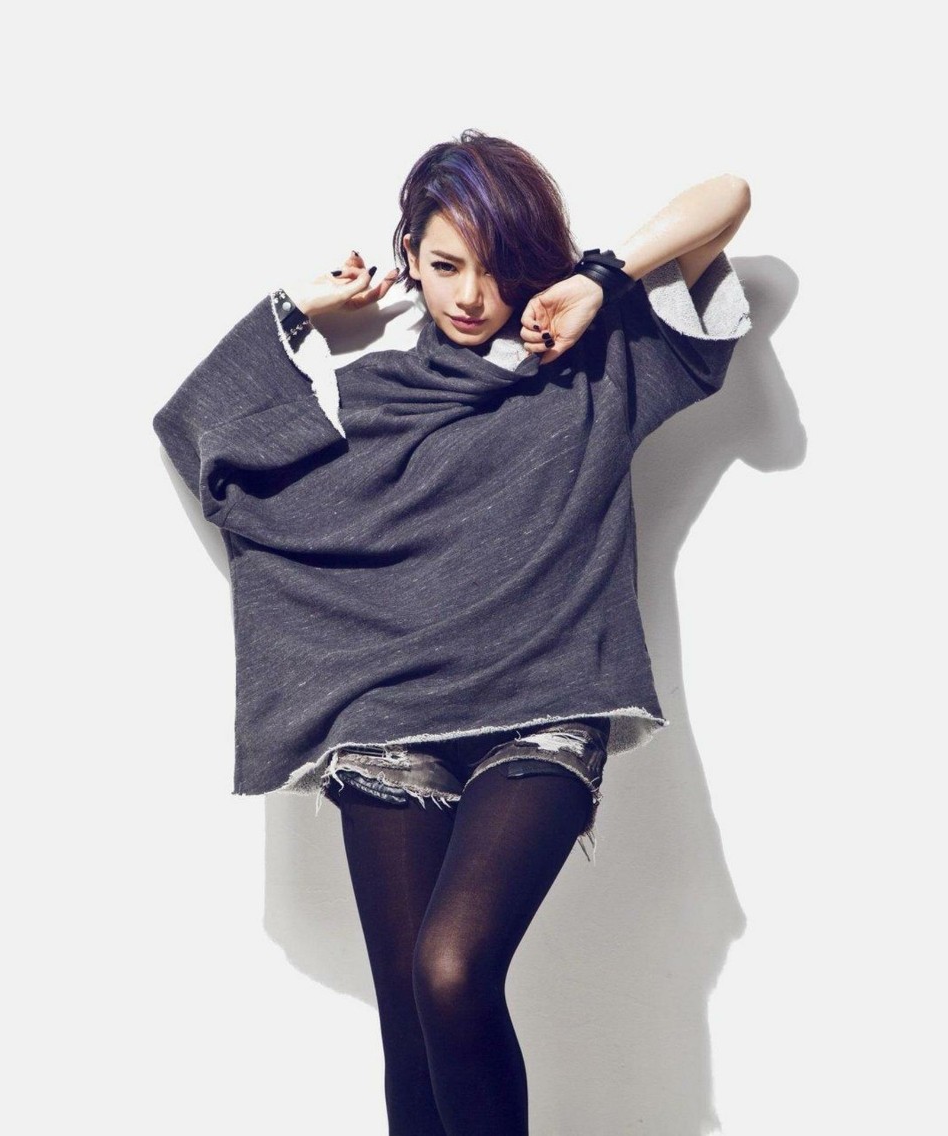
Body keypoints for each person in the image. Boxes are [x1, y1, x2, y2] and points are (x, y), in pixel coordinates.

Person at [152, 129, 752, 1135]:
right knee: (409, 1023)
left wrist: (599, 279)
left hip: (545, 707)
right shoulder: (368, 395)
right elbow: (202, 437)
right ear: (409, 256)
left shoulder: (597, 364)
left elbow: (726, 194)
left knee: (450, 968)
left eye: (498, 267)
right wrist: (298, 308)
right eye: (444, 265)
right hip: (387, 719)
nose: (472, 295)